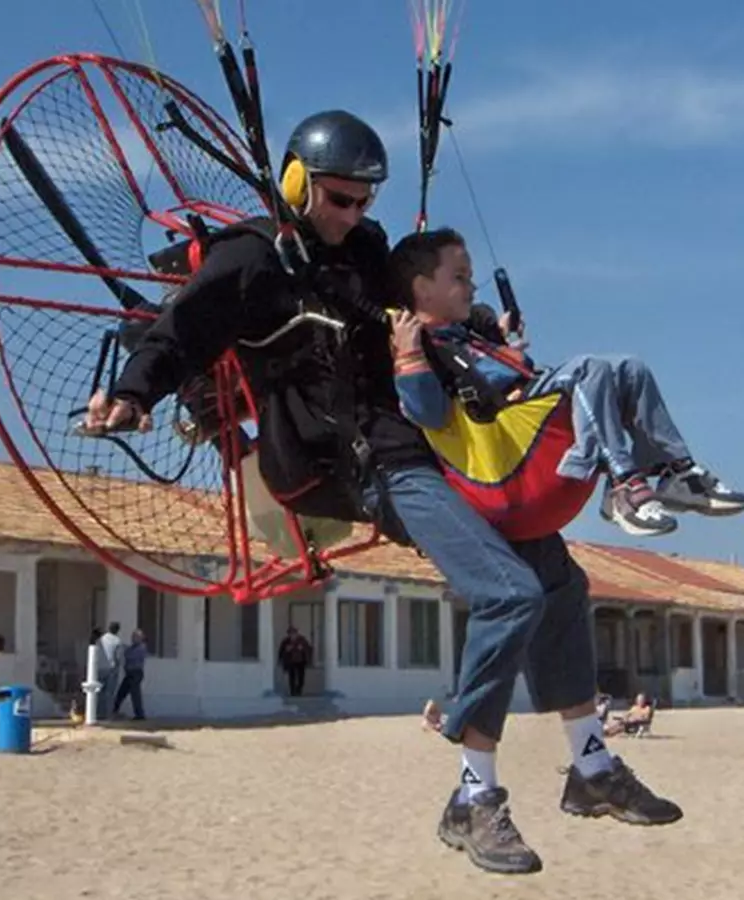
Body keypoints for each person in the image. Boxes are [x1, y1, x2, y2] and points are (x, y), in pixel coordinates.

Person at [83, 109, 681, 876]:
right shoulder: (252, 260)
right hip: (359, 467)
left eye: (364, 203)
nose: (354, 217)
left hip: (428, 443)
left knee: (558, 579)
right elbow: (182, 330)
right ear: (297, 184)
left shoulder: (364, 252)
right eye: (338, 200)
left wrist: (484, 321)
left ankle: (593, 770)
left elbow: (412, 307)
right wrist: (134, 393)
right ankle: (473, 799)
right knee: (507, 594)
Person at [387, 227, 744, 538]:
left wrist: (500, 345)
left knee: (628, 368)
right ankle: (622, 483)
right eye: (459, 278)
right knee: (587, 369)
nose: (471, 287)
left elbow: (491, 366)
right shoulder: (423, 346)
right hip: (504, 461)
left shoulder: (468, 337)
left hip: (529, 420)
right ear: (423, 288)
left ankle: (675, 471)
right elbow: (428, 413)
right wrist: (409, 357)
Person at [278, 626, 314, 697]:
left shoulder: (302, 640)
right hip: (291, 661)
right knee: (292, 677)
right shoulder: (286, 641)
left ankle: (299, 690)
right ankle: (293, 691)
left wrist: (302, 649)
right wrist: (286, 651)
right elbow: (281, 652)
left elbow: (309, 649)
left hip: (301, 662)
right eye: (290, 634)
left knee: (301, 677)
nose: (292, 635)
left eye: (294, 633)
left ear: (297, 633)